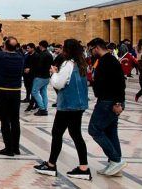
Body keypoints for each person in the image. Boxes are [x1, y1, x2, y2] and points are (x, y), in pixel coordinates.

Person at [34, 39, 91, 180]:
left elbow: (59, 84)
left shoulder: (67, 64)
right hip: (79, 105)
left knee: (57, 133)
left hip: (67, 105)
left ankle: (51, 165)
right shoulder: (82, 64)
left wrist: (54, 73)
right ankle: (83, 167)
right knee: (76, 135)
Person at [87, 37, 127, 177]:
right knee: (110, 132)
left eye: (91, 50)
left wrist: (118, 103)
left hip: (109, 102)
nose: (90, 52)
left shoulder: (109, 61)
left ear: (96, 48)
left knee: (94, 129)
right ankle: (115, 164)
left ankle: (115, 160)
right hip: (107, 100)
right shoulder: (103, 61)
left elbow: (119, 82)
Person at [0, 27, 25, 156]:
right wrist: (4, 35)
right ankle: (16, 148)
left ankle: (8, 148)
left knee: (5, 121)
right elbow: (16, 47)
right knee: (15, 120)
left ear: (4, 46)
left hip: (2, 91)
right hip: (16, 92)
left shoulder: (2, 56)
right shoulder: (20, 56)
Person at [31, 40, 53, 116]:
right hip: (47, 76)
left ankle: (42, 108)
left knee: (34, 92)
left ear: (41, 46)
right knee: (43, 92)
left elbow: (39, 66)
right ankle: (45, 108)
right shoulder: (49, 54)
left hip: (40, 77)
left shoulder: (42, 55)